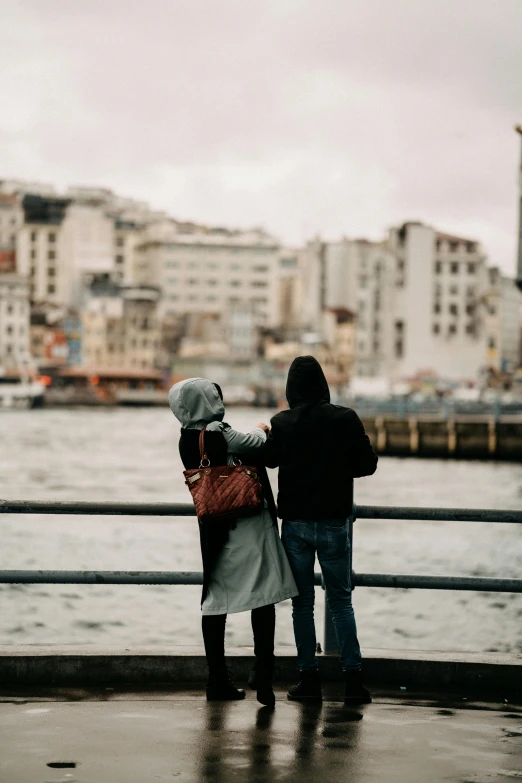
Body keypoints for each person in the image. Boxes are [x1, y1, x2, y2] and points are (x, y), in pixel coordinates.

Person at [169, 377, 298, 707]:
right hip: (248, 522)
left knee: (216, 600)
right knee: (263, 594)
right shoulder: (219, 432)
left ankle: (217, 678)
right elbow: (253, 443)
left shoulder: (187, 440)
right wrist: (262, 427)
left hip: (215, 527)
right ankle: (263, 676)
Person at [263, 356, 378, 704]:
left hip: (296, 525)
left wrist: (268, 434)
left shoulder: (282, 422)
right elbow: (367, 465)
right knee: (341, 602)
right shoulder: (345, 419)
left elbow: (268, 459)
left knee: (302, 606)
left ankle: (308, 681)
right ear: (323, 384)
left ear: (291, 389)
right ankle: (354, 683)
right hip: (333, 523)